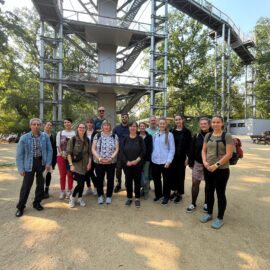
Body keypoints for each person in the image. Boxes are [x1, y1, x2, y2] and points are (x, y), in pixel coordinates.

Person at [200, 115, 233, 229]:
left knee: (220, 193)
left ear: (222, 123)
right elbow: (204, 150)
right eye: (213, 122)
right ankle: (209, 213)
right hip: (208, 168)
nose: (215, 124)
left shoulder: (227, 136)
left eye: (218, 122)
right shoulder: (208, 135)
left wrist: (216, 165)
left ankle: (220, 218)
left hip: (221, 170)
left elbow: (229, 154)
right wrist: (204, 162)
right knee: (209, 191)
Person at [15, 118, 52, 217]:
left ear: (40, 126)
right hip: (29, 163)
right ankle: (20, 207)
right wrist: (21, 168)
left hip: (41, 162)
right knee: (26, 186)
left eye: (38, 124)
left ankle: (37, 203)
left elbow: (49, 150)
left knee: (40, 184)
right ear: (30, 126)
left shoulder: (45, 137)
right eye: (34, 124)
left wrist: (48, 163)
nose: (36, 126)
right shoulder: (24, 138)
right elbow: (19, 155)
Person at [186, 117, 212, 213]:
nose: (203, 125)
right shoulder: (196, 135)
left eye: (205, 123)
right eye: (201, 124)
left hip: (210, 164)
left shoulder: (214, 135)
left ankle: (206, 202)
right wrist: (190, 162)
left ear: (209, 125)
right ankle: (193, 203)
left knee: (209, 185)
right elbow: (191, 149)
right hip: (198, 163)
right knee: (195, 183)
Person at [92, 121, 119, 205]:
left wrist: (111, 158)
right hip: (99, 162)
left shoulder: (114, 136)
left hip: (111, 162)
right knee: (99, 179)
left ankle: (108, 196)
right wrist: (99, 158)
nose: (106, 127)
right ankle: (100, 195)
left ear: (110, 127)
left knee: (110, 179)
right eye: (104, 125)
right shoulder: (97, 135)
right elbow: (93, 148)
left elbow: (117, 149)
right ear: (102, 127)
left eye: (108, 125)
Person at [67, 123, 92, 207]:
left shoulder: (87, 140)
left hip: (85, 166)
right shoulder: (73, 140)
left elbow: (90, 153)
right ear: (77, 129)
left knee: (82, 183)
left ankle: (80, 198)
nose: (82, 129)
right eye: (80, 127)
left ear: (85, 129)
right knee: (80, 183)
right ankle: (73, 198)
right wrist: (71, 165)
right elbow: (69, 153)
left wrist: (89, 163)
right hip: (76, 166)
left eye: (83, 127)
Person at [121, 121, 146, 208]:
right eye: (131, 126)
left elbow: (143, 152)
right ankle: (129, 197)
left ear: (137, 128)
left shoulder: (140, 139)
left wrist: (137, 160)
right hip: (127, 165)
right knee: (128, 182)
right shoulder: (125, 139)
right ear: (129, 128)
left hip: (137, 165)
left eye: (134, 126)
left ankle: (137, 198)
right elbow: (122, 152)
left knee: (137, 182)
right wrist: (126, 161)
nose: (133, 128)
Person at [151, 117, 175, 205]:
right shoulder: (155, 135)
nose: (162, 125)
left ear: (166, 124)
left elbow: (172, 149)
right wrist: (152, 158)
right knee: (156, 179)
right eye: (160, 123)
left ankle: (166, 196)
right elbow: (153, 148)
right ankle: (158, 195)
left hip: (165, 162)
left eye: (163, 123)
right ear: (158, 124)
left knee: (166, 180)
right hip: (155, 161)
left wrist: (169, 161)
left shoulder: (169, 135)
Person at [170, 115, 192, 203]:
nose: (178, 121)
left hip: (182, 157)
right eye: (176, 120)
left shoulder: (187, 132)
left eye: (179, 119)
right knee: (173, 175)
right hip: (173, 157)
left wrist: (188, 158)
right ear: (174, 121)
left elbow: (190, 146)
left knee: (180, 175)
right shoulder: (172, 131)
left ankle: (179, 193)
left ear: (182, 120)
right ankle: (174, 191)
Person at [56, 118, 76, 200]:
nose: (67, 123)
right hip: (61, 156)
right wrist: (61, 153)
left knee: (70, 174)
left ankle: (70, 190)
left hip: (71, 157)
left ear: (71, 123)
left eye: (68, 122)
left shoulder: (75, 133)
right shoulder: (60, 133)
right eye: (65, 122)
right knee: (62, 174)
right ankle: (62, 190)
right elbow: (58, 145)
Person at [113, 113, 129, 193]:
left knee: (127, 171)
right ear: (121, 118)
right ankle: (118, 185)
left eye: (126, 117)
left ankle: (127, 185)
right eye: (123, 117)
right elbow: (112, 140)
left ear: (128, 118)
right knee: (118, 171)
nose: (124, 118)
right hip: (118, 153)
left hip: (128, 154)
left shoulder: (131, 128)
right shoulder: (116, 128)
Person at [83, 118, 98, 196]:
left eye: (91, 122)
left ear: (93, 124)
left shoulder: (96, 133)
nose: (89, 124)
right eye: (88, 122)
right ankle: (89, 188)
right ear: (86, 124)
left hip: (94, 155)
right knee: (86, 173)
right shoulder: (83, 132)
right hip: (84, 156)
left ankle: (96, 187)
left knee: (91, 171)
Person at [139, 122, 153, 200]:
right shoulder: (136, 135)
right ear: (139, 127)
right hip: (137, 160)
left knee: (146, 176)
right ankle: (141, 190)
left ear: (145, 127)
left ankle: (146, 191)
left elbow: (150, 149)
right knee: (138, 175)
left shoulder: (149, 137)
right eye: (140, 126)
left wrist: (144, 158)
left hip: (146, 160)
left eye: (143, 126)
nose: (142, 127)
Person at [43, 121, 57, 198]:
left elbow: (54, 149)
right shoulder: (40, 135)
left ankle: (46, 189)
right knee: (41, 175)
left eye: (51, 125)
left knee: (48, 174)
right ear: (44, 125)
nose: (49, 126)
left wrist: (53, 161)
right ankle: (40, 190)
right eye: (48, 125)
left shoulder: (53, 136)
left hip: (50, 159)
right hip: (41, 159)